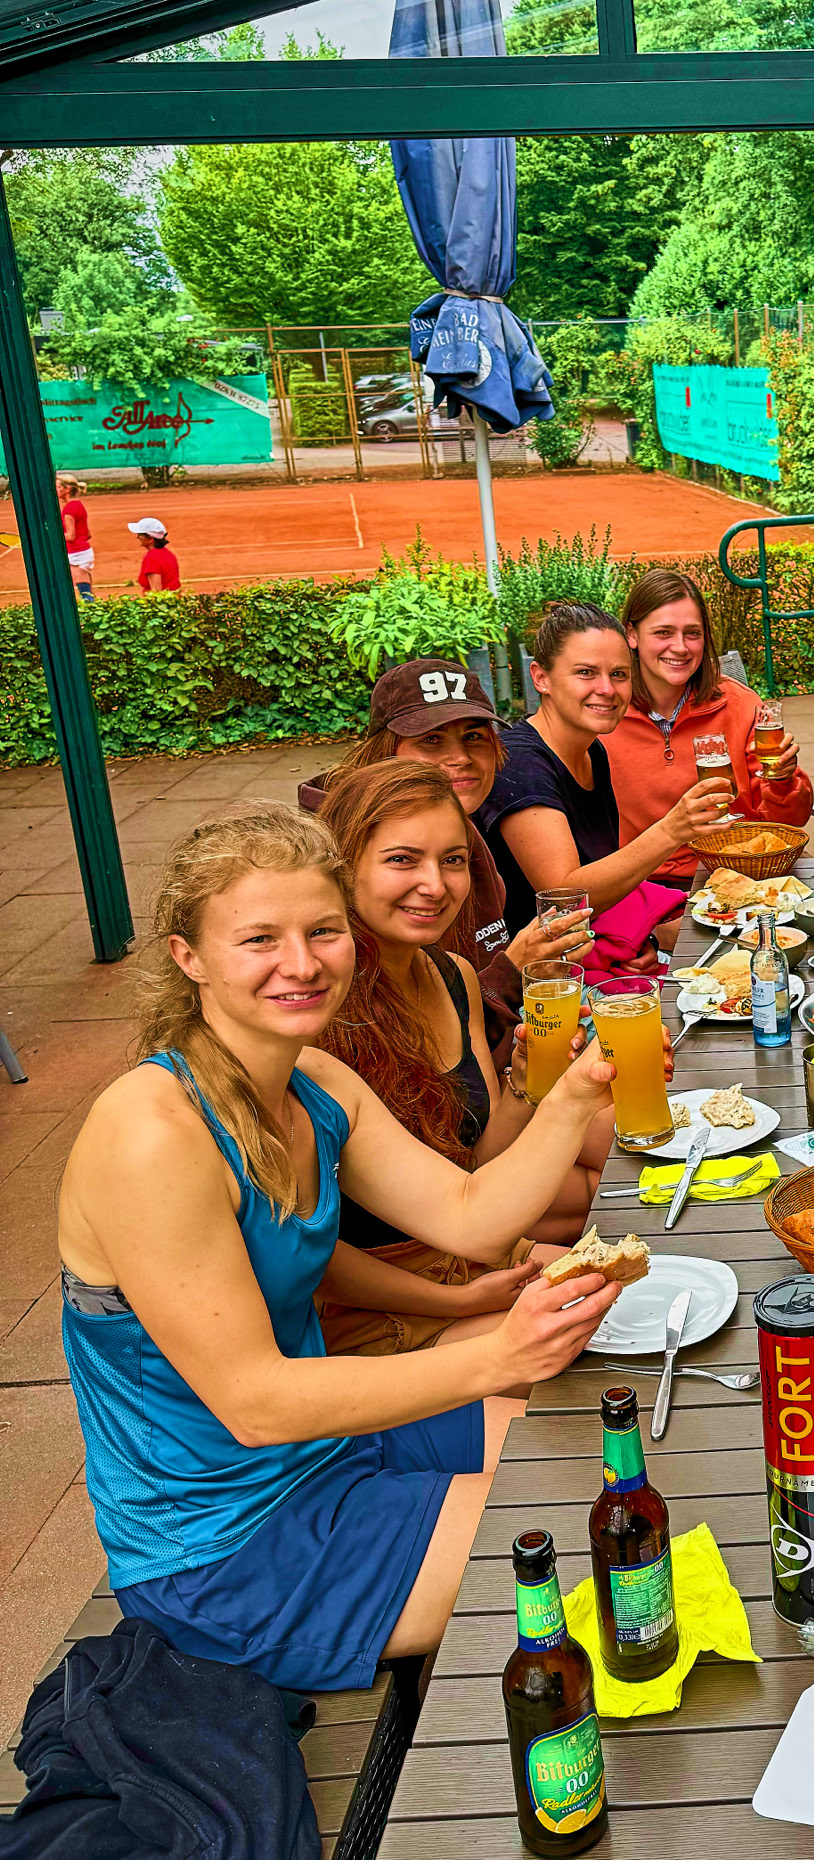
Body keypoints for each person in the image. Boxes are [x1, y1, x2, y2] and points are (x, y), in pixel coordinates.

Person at [57, 804, 624, 1693]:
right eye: (260, 939)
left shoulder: (312, 1077)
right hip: (222, 1546)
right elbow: (255, 1404)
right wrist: (500, 1357)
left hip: (334, 1446)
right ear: (188, 957)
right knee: (589, 1546)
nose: (302, 962)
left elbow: (470, 1216)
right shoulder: (150, 1134)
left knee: (604, 1475)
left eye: (323, 931)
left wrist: (575, 1096)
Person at [313, 761, 628, 1355]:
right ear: (342, 868)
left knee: (647, 1297)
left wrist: (527, 1086)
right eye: (402, 860)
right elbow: (310, 1256)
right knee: (589, 1362)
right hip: (381, 1306)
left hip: (470, 1258)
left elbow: (478, 1167)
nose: (435, 885)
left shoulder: (453, 975)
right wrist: (459, 1302)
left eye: (453, 860)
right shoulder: (317, 1017)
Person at [299, 656, 586, 1067]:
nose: (460, 758)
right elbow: (418, 1043)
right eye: (431, 740)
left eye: (474, 736)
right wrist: (512, 969)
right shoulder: (331, 865)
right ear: (383, 752)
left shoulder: (463, 825)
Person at [475, 601, 732, 935]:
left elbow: (599, 881)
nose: (607, 690)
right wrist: (672, 830)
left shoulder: (592, 751)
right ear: (541, 678)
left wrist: (643, 937)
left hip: (590, 943)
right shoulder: (519, 764)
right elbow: (564, 895)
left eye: (619, 674)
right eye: (586, 672)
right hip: (536, 964)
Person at [601, 566, 814, 890]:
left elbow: (788, 823)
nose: (681, 647)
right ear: (632, 634)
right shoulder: (603, 715)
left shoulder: (739, 704)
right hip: (642, 887)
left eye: (692, 633)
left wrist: (784, 781)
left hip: (741, 873)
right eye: (663, 633)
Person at [58, 474, 93, 603]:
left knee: (85, 594)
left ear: (67, 489)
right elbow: (87, 534)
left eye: (58, 487)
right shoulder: (78, 505)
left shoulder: (68, 509)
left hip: (76, 553)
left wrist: (53, 536)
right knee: (86, 590)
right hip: (84, 551)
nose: (56, 490)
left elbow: (71, 536)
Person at [129, 516, 179, 593]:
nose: (138, 537)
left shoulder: (152, 558)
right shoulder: (169, 554)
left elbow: (156, 592)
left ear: (151, 539)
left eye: (140, 535)